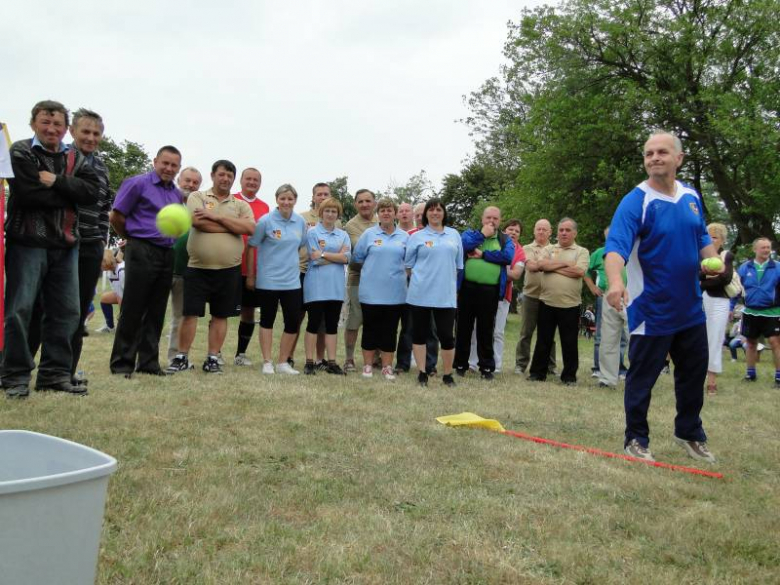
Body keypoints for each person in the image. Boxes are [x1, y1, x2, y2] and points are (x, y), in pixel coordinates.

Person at [605, 130, 720, 464]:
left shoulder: (690, 196)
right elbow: (616, 247)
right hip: (650, 309)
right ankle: (636, 439)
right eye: (648, 153)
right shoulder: (635, 200)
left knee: (693, 374)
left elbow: (700, 236)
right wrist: (615, 282)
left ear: (679, 158)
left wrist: (711, 262)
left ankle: (689, 432)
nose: (654, 158)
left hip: (690, 307)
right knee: (642, 378)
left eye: (661, 152)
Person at [3, 100, 99, 398]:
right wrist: (70, 192)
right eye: (45, 122)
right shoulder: (20, 151)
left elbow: (92, 192)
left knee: (67, 312)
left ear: (65, 127)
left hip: (66, 244)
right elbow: (29, 194)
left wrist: (56, 181)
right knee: (20, 310)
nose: (51, 129)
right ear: (33, 124)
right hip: (27, 242)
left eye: (57, 124)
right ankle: (14, 375)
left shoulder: (75, 157)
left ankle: (54, 375)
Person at [166, 160, 254, 374]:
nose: (225, 179)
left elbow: (250, 227)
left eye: (229, 176)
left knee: (220, 316)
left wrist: (215, 216)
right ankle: (181, 357)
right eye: (222, 174)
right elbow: (197, 222)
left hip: (229, 270)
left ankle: (212, 358)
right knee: (190, 314)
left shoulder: (241, 204)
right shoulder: (198, 197)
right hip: (197, 267)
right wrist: (232, 226)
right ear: (213, 175)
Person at [109, 145, 184, 377]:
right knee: (133, 307)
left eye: (174, 165)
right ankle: (122, 363)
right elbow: (116, 216)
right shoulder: (137, 183)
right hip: (140, 248)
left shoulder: (176, 193)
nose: (169, 168)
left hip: (166, 252)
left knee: (156, 309)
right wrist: (130, 238)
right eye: (165, 163)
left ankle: (149, 362)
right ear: (155, 161)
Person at [247, 184, 308, 374]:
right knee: (267, 320)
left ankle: (282, 363)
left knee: (292, 322)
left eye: (290, 199)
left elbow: (300, 247)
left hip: (292, 282)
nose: (286, 202)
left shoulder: (300, 222)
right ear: (277, 200)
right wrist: (251, 275)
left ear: (295, 200)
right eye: (283, 198)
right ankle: (267, 362)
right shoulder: (265, 221)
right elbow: (252, 246)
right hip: (268, 281)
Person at [405, 199, 463, 387]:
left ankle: (448, 374)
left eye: (439, 209)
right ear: (425, 214)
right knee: (419, 334)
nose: (435, 213)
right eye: (431, 210)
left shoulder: (454, 235)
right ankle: (422, 372)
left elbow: (458, 266)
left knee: (446, 336)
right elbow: (408, 266)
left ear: (444, 213)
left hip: (445, 295)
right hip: (420, 293)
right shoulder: (417, 237)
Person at [454, 206, 515, 380]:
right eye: (488, 217)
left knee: (486, 329)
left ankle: (486, 367)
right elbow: (462, 246)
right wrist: (483, 235)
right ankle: (460, 364)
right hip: (467, 288)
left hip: (490, 290)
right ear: (482, 219)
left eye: (495, 218)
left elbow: (507, 257)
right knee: (463, 328)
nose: (491, 221)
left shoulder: (505, 239)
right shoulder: (471, 234)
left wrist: (483, 255)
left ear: (500, 221)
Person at [352, 198, 409, 380]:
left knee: (390, 330)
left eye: (390, 210)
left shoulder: (405, 237)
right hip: (371, 293)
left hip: (395, 293)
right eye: (382, 210)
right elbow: (356, 260)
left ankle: (386, 367)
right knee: (370, 329)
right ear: (378, 213)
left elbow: (410, 263)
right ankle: (368, 366)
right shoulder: (369, 234)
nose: (386, 213)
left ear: (396, 213)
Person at [528, 218, 589, 385]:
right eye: (561, 229)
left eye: (567, 230)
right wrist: (565, 264)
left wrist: (553, 266)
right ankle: (537, 373)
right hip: (547, 302)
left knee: (569, 342)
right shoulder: (549, 248)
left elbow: (579, 271)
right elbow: (541, 265)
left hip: (570, 304)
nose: (563, 233)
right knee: (543, 340)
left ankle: (569, 377)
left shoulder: (581, 251)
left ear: (575, 233)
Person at [468, 219, 526, 373]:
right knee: (476, 329)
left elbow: (515, 274)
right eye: (510, 229)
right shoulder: (493, 243)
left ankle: (497, 365)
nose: (513, 233)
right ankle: (472, 363)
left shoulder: (519, 251)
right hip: (484, 293)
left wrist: (490, 264)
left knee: (498, 332)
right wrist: (495, 262)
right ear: (504, 231)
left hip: (503, 295)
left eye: (517, 231)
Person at [301, 197, 351, 375]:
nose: (330, 214)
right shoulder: (313, 233)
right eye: (327, 211)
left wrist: (323, 253)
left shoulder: (343, 235)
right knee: (313, 323)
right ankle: (309, 361)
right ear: (321, 213)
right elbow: (315, 260)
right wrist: (336, 256)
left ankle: (331, 362)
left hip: (336, 288)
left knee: (331, 325)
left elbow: (346, 259)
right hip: (316, 286)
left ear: (338, 214)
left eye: (334, 211)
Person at [294, 182, 341, 370]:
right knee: (298, 318)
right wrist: (335, 258)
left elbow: (346, 256)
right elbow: (313, 256)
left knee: (325, 323)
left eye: (326, 194)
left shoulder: (338, 225)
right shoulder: (302, 218)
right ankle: (292, 357)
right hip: (303, 271)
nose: (322, 197)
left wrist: (326, 256)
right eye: (319, 194)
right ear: (313, 197)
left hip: (329, 279)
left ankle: (322, 360)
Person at [396, 201, 439, 374]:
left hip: (434, 287)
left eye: (424, 213)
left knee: (432, 328)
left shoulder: (440, 234)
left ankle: (430, 365)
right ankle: (402, 363)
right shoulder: (410, 235)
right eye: (419, 214)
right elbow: (405, 261)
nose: (421, 217)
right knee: (408, 326)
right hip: (412, 285)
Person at [233, 167, 270, 366]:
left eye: (256, 180)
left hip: (252, 269)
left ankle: (240, 354)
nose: (252, 182)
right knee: (220, 311)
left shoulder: (265, 207)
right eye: (248, 178)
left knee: (248, 312)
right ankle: (215, 353)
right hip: (229, 265)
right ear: (241, 180)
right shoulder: (231, 200)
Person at [166, 167, 203, 361]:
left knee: (179, 318)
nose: (190, 184)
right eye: (187, 180)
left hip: (185, 271)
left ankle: (175, 358)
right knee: (150, 315)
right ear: (179, 180)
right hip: (162, 268)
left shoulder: (199, 208)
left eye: (195, 182)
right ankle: (145, 357)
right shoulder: (165, 201)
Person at [584, 227, 628, 379]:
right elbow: (586, 272)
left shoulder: (628, 251)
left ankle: (620, 368)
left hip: (626, 297)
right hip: (605, 296)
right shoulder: (599, 253)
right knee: (601, 334)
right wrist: (592, 287)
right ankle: (598, 367)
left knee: (623, 336)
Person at [515, 219, 557, 375]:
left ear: (550, 232)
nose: (541, 232)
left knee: (549, 334)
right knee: (526, 333)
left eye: (544, 229)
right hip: (530, 296)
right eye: (538, 229)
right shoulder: (526, 248)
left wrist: (542, 264)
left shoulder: (556, 249)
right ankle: (520, 365)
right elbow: (531, 267)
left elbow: (553, 267)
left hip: (550, 297)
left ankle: (550, 367)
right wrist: (547, 264)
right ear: (534, 231)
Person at [699, 222, 737, 395]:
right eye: (709, 236)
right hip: (699, 302)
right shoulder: (699, 256)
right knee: (698, 340)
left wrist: (704, 280)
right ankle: (696, 378)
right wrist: (707, 278)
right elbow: (695, 277)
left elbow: (725, 279)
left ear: (721, 240)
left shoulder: (726, 255)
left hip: (719, 302)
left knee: (715, 340)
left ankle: (712, 380)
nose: (711, 240)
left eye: (715, 237)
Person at [737, 237, 780, 388]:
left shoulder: (777, 267)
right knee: (750, 342)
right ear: (755, 249)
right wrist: (731, 308)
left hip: (772, 311)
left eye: (768, 247)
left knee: (775, 342)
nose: (767, 250)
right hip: (750, 311)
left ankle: (779, 377)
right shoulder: (744, 268)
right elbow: (736, 288)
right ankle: (750, 374)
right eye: (763, 247)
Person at [343, 189, 378, 372]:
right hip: (358, 278)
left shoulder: (383, 220)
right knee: (355, 319)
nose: (364, 204)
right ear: (356, 204)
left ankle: (378, 357)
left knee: (379, 319)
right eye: (360, 201)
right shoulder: (351, 225)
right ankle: (349, 358)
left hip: (382, 281)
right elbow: (358, 252)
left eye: (368, 201)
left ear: (374, 203)